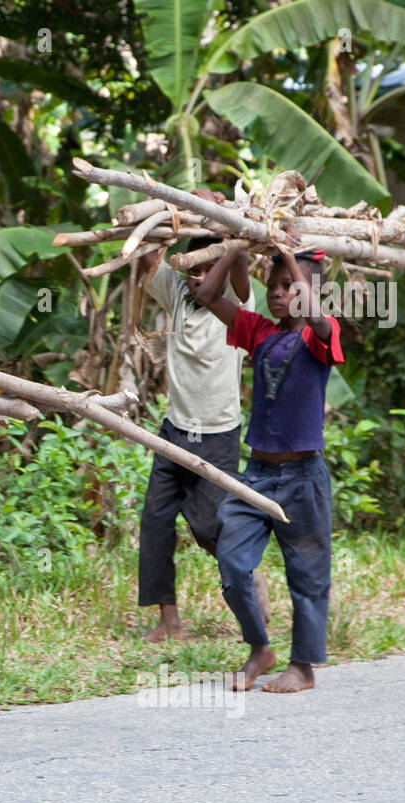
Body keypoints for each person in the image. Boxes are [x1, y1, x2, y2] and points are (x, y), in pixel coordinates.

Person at [194, 242, 344, 693]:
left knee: (308, 577)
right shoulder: (259, 331)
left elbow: (317, 319)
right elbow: (206, 296)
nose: (277, 294)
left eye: (287, 287)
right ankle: (260, 647)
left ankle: (303, 667)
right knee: (233, 561)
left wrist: (290, 256)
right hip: (257, 475)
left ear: (309, 291)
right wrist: (235, 242)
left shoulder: (321, 335)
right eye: (272, 285)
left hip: (304, 478)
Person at [138, 221, 270, 643]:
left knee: (211, 526)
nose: (198, 280)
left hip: (218, 436)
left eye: (206, 271)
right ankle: (169, 619)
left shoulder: (233, 302)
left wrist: (232, 240)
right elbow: (145, 252)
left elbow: (240, 271)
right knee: (156, 520)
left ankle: (251, 579)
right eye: (192, 271)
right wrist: (169, 214)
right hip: (174, 431)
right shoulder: (175, 294)